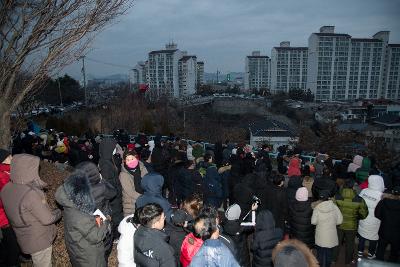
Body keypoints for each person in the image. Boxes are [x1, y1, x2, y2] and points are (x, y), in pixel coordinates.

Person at [0, 154, 61, 267]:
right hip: (39, 240)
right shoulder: (30, 193)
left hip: (23, 236)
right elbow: (47, 219)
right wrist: (59, 212)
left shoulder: (6, 188)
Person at [55, 165, 111, 267]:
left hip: (77, 249)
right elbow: (96, 236)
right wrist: (105, 220)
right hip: (88, 256)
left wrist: (97, 215)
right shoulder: (80, 215)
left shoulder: (70, 204)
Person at [332, 179, 368, 266]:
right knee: (350, 244)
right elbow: (364, 214)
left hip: (339, 224)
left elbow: (332, 210)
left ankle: (333, 259)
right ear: (353, 187)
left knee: (337, 242)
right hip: (352, 225)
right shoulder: (359, 199)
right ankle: (348, 261)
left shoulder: (337, 197)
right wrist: (356, 217)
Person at [98, 138, 124, 239]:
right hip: (113, 199)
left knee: (116, 216)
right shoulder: (106, 165)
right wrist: (117, 192)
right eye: (113, 148)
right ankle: (114, 237)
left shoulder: (108, 160)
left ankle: (114, 235)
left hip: (115, 197)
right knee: (115, 217)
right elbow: (108, 184)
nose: (115, 150)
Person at [311, 191, 343, 267]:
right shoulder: (335, 207)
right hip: (331, 236)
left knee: (320, 254)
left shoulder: (317, 208)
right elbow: (340, 221)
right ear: (329, 198)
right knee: (329, 254)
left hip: (320, 235)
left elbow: (313, 222)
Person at [0, 149, 20, 267]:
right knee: (13, 245)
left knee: (10, 243)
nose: (12, 158)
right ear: (2, 160)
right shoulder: (2, 176)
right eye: (9, 157)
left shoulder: (8, 172)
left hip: (9, 215)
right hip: (5, 217)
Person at [357, 175, 385, 259]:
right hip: (375, 221)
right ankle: (371, 253)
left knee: (362, 235)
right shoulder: (381, 195)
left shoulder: (364, 191)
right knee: (374, 237)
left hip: (363, 218)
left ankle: (360, 251)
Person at [375, 186, 400, 262]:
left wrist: (385, 219)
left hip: (384, 230)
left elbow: (377, 214)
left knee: (380, 251)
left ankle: (378, 264)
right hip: (397, 234)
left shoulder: (383, 202)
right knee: (394, 253)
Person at [119, 150, 148, 216]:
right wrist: (145, 197)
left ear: (136, 158)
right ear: (125, 161)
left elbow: (147, 183)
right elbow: (130, 192)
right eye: (128, 160)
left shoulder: (142, 168)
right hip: (131, 206)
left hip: (144, 203)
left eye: (132, 159)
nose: (131, 161)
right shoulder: (123, 174)